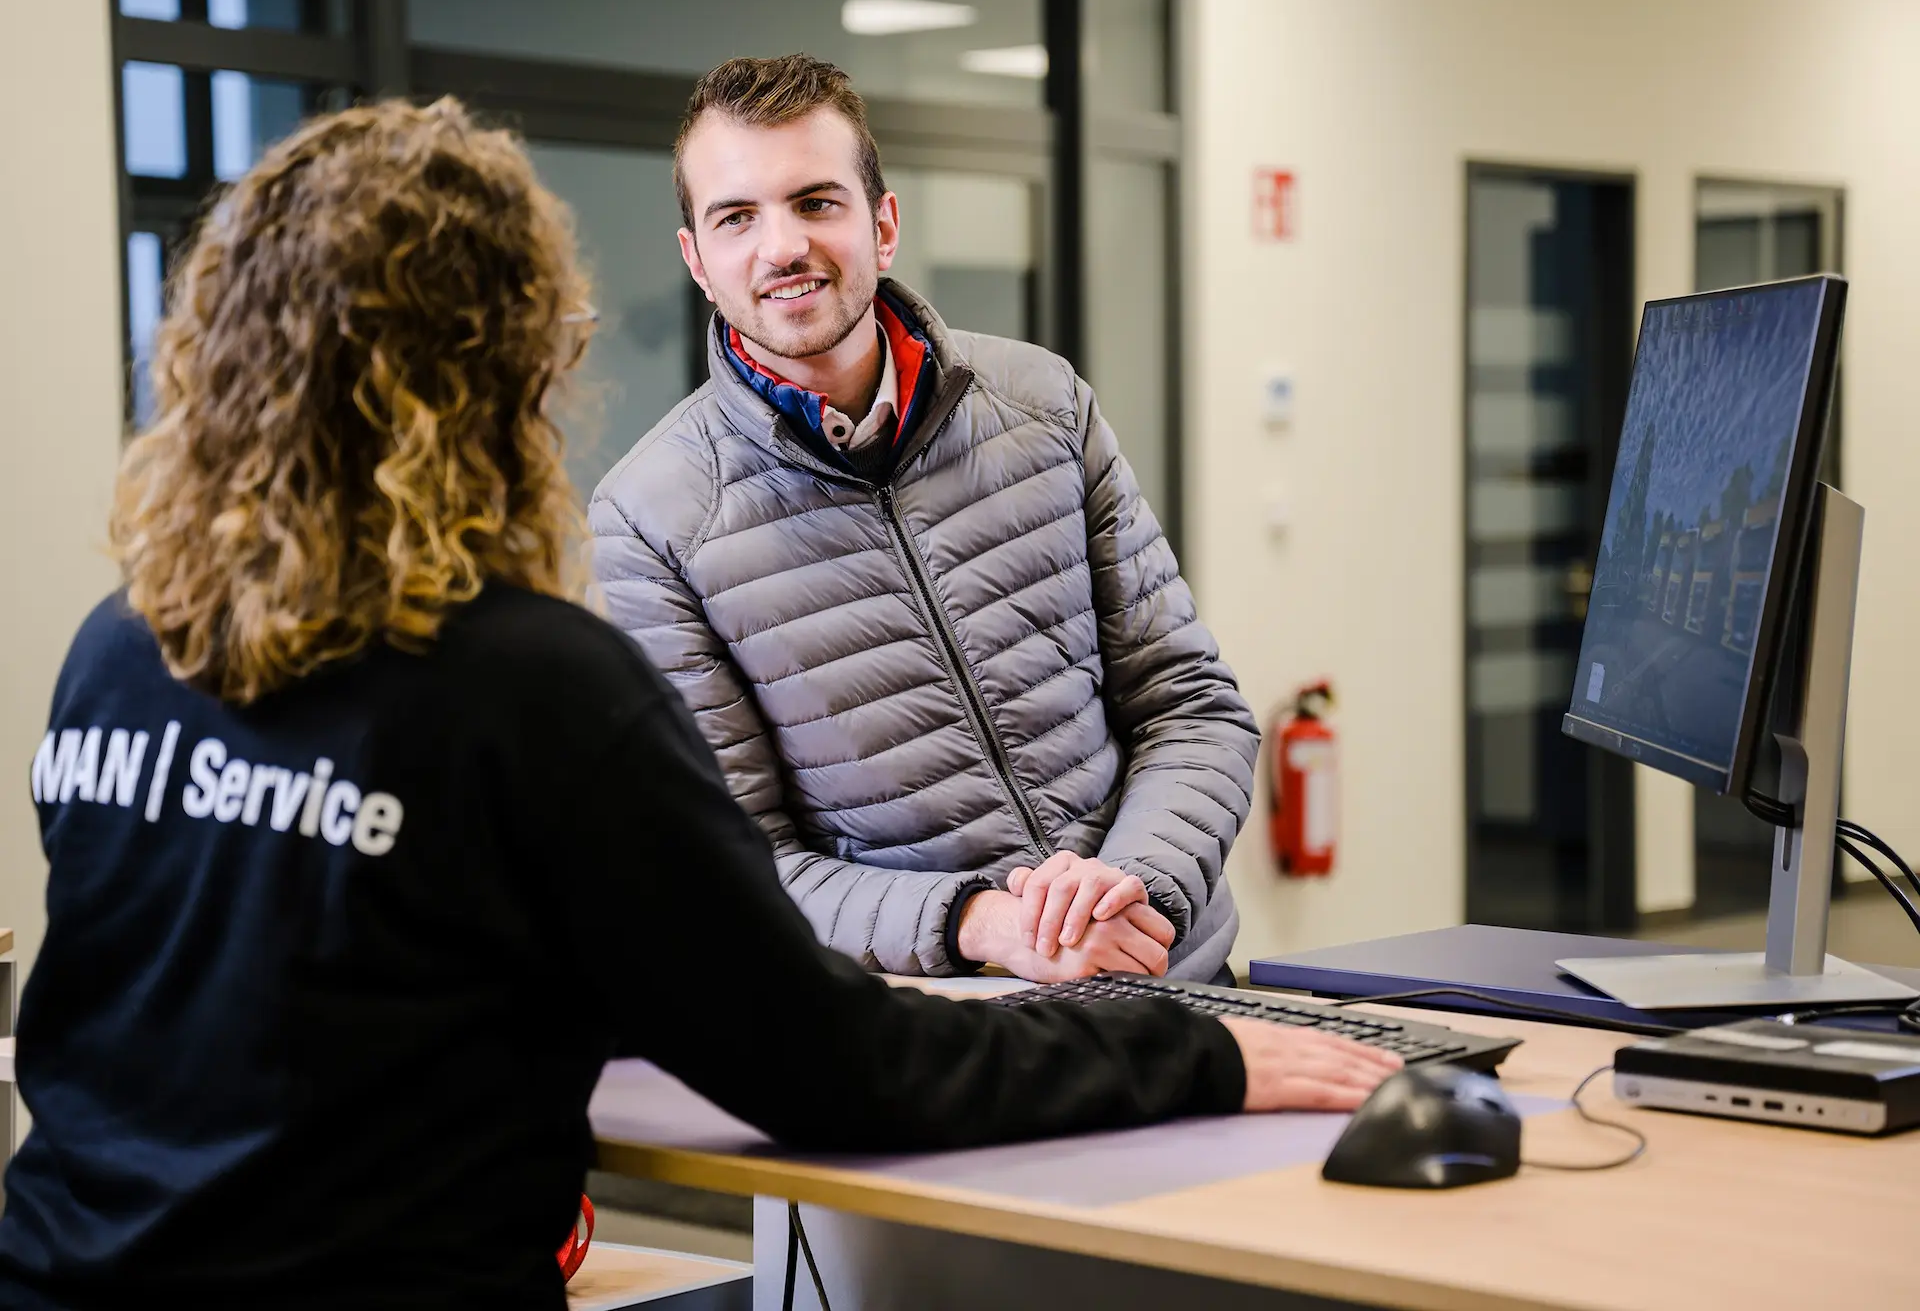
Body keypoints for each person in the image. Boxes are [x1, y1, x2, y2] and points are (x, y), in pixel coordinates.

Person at [0, 99, 1395, 1311]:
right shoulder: (534, 683)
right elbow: (834, 1066)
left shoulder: (120, 649)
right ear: (500, 364)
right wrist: (1173, 1051)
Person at [591, 55, 1259, 986]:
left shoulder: (1043, 404)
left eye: (817, 202)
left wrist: (1131, 892)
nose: (782, 247)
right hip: (944, 1035)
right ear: (698, 259)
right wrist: (982, 925)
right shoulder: (653, 519)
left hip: (1175, 980)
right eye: (737, 217)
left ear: (884, 223)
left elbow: (1190, 706)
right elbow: (729, 861)